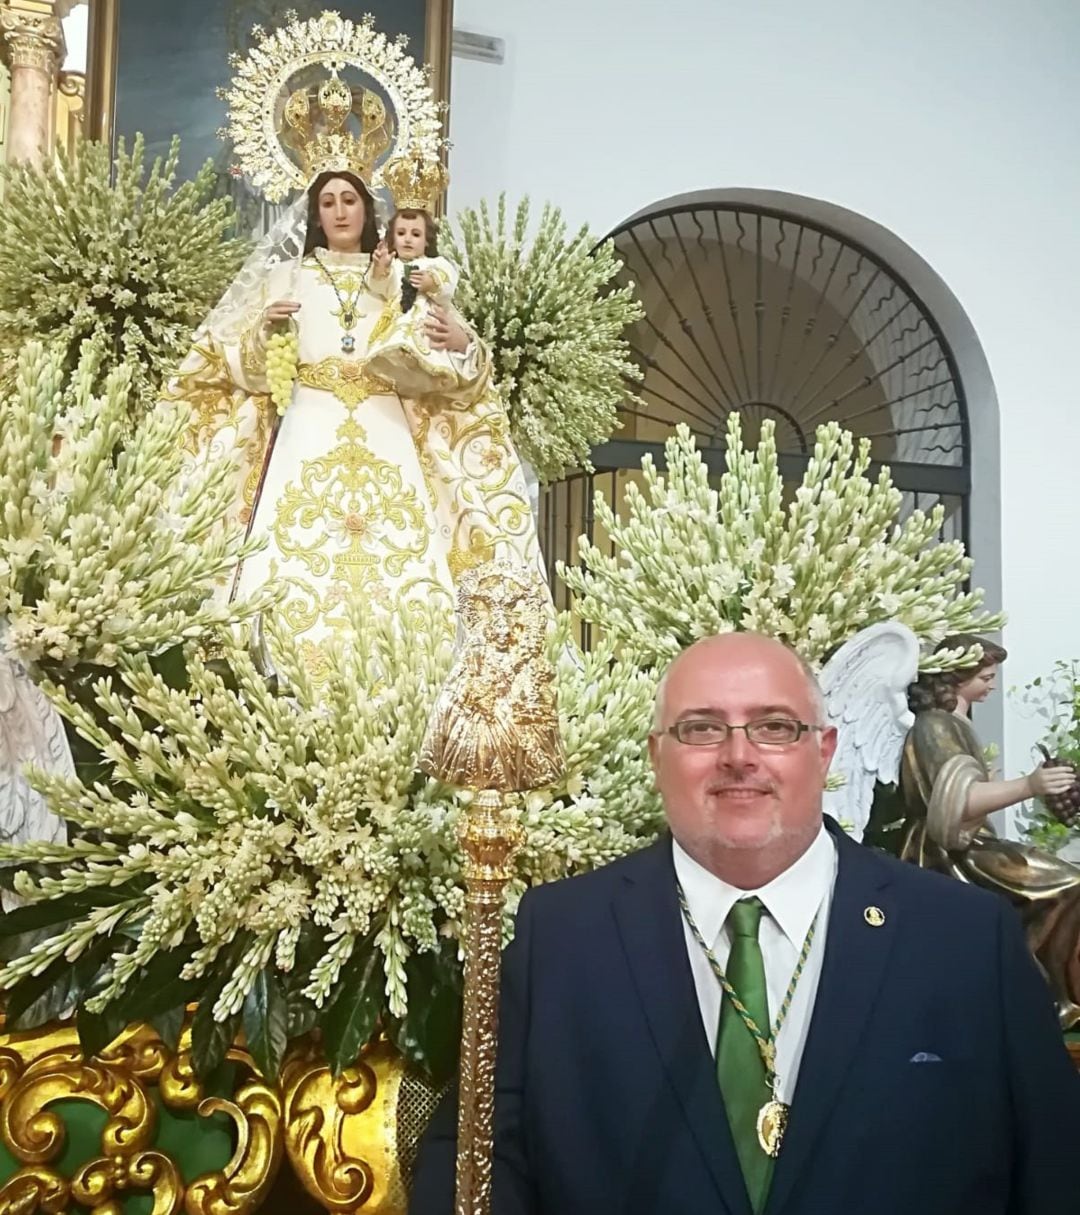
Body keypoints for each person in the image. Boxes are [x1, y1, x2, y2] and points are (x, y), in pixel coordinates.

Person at [410, 632, 1080, 1215]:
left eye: (774, 726)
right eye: (702, 727)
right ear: (656, 754)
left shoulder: (964, 940)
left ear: (824, 750)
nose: (738, 754)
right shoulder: (561, 937)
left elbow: (1053, 1173)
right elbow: (475, 1158)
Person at [173, 168, 541, 679]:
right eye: (328, 202)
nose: (340, 211)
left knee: (408, 563)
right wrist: (265, 332)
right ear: (315, 214)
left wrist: (461, 342)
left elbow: (456, 366)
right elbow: (238, 368)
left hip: (387, 426)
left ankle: (411, 677)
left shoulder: (403, 277)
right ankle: (280, 676)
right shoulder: (286, 277)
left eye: (350, 199)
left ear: (369, 210)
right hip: (306, 423)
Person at [900, 634, 1080, 1026]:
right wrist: (1028, 787)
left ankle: (1033, 992)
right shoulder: (935, 726)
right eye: (985, 675)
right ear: (957, 677)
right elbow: (954, 804)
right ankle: (1032, 993)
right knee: (1064, 886)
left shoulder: (955, 723)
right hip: (949, 853)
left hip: (970, 844)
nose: (993, 683)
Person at [365, 206, 462, 399]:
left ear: (427, 240)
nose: (408, 239)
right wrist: (380, 268)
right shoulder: (394, 265)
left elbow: (449, 281)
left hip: (426, 320)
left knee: (428, 348)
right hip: (399, 317)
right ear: (392, 238)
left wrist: (430, 282)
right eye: (401, 233)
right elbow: (379, 286)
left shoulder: (436, 263)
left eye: (416, 234)